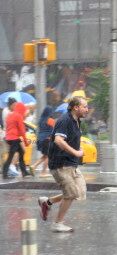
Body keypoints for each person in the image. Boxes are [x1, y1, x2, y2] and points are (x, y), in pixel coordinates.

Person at [36, 97, 90, 232]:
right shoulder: (64, 120)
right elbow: (59, 140)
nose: (87, 109)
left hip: (71, 164)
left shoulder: (76, 120)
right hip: (61, 164)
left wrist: (78, 152)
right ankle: (58, 223)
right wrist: (76, 153)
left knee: (80, 192)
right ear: (76, 107)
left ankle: (47, 202)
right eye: (85, 106)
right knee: (71, 193)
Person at [2, 101, 31, 179]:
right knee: (10, 156)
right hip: (14, 138)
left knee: (22, 152)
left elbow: (10, 127)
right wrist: (25, 142)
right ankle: (4, 173)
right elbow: (22, 131)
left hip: (9, 138)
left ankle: (24, 171)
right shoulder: (18, 116)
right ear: (21, 109)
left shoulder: (9, 115)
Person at [30, 104, 56, 177]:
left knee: (45, 155)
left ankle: (34, 166)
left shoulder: (41, 119)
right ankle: (43, 173)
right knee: (48, 156)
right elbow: (54, 131)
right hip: (47, 139)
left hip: (40, 139)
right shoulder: (50, 120)